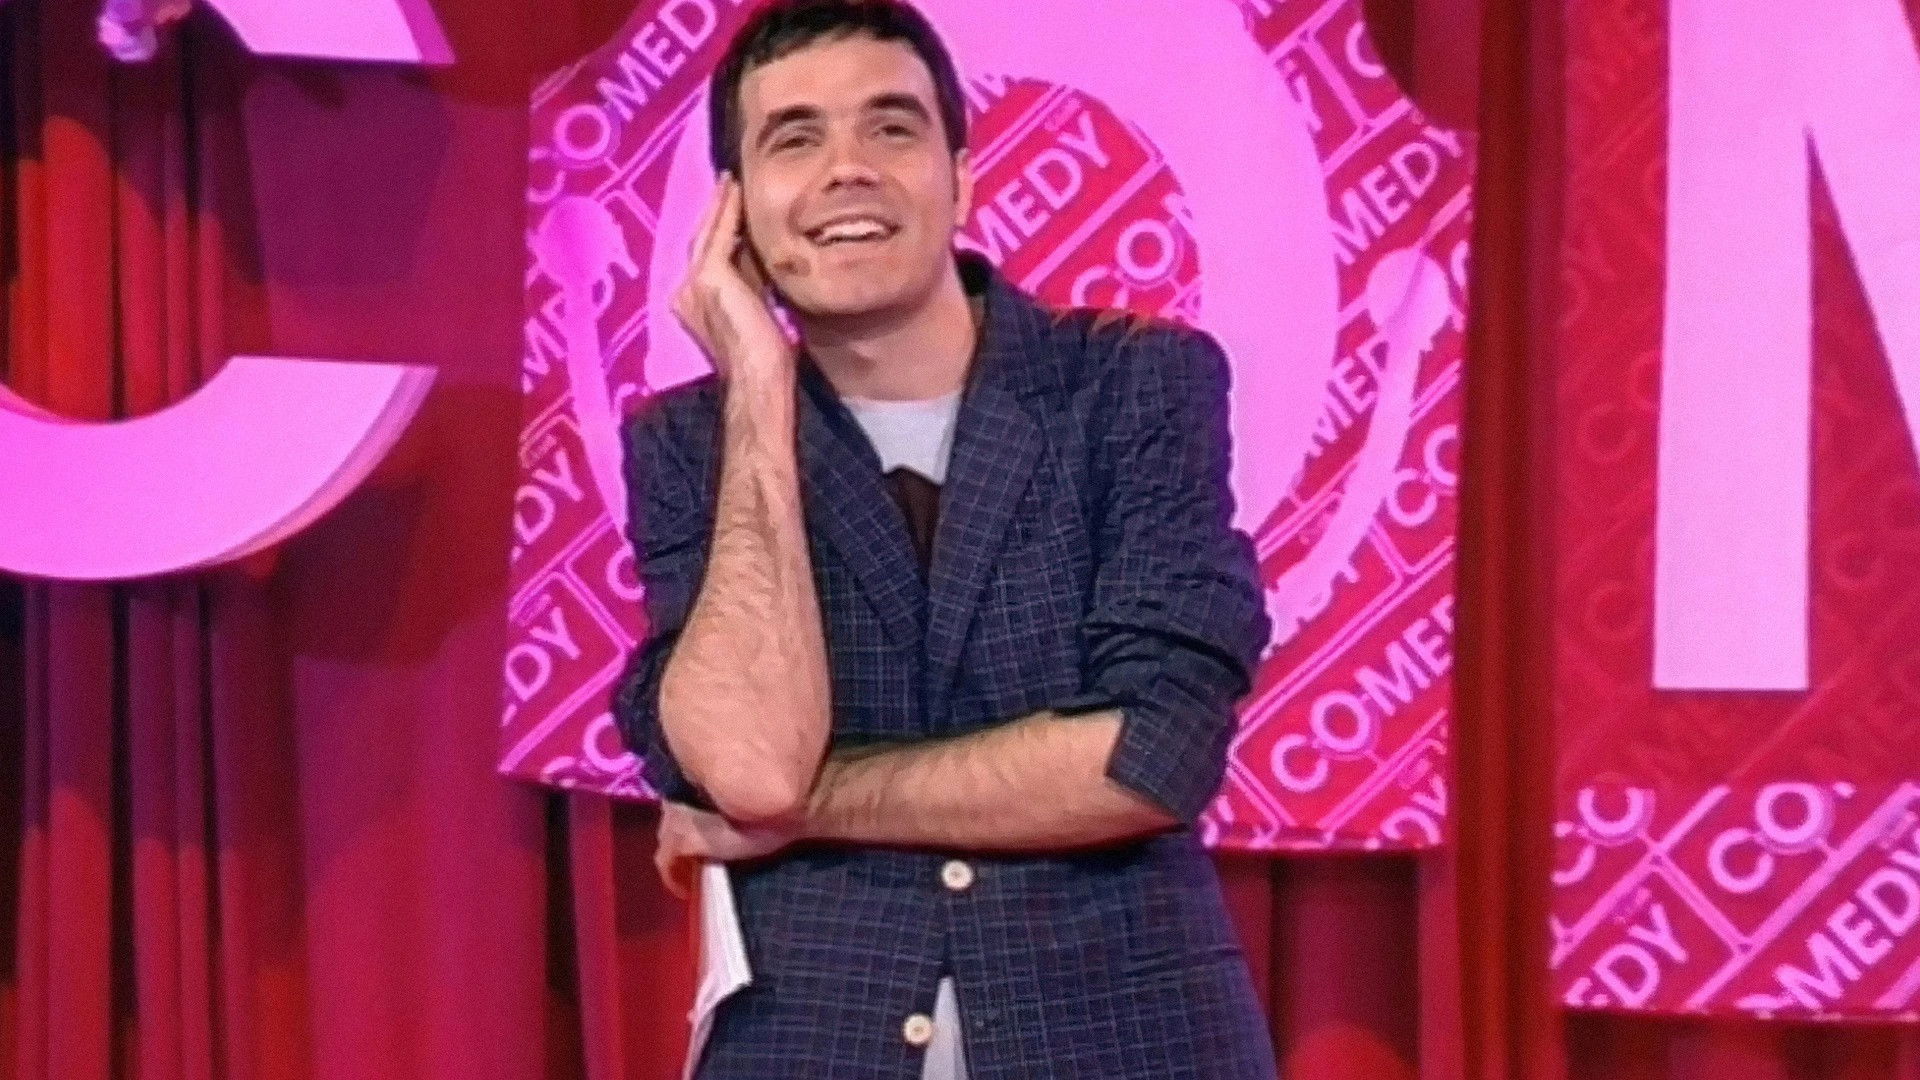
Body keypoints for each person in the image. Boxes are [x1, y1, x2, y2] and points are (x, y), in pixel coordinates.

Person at [613, 1, 1278, 1076]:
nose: (848, 170)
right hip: (815, 1045)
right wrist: (757, 382)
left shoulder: (1133, 385)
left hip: (1124, 1041)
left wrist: (816, 808)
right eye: (794, 139)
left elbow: (1150, 758)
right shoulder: (690, 445)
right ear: (731, 213)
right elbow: (751, 771)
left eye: (892, 127)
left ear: (960, 180)